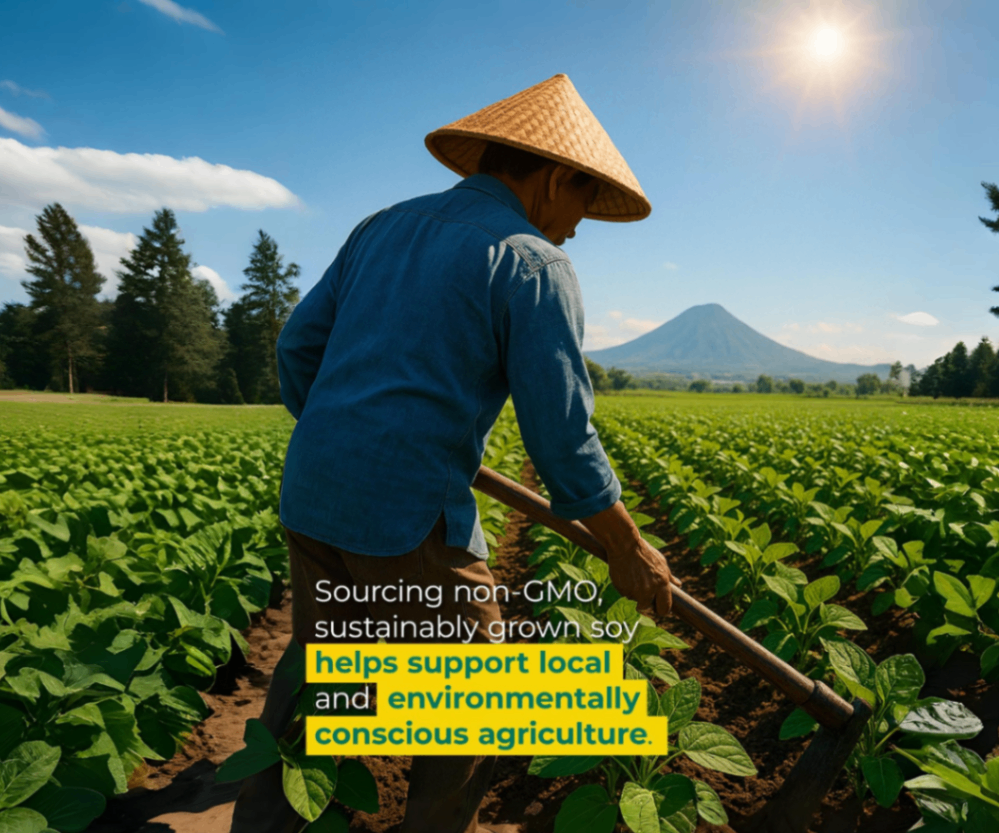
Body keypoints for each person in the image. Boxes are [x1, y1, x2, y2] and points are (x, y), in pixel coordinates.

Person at [228, 73, 679, 833]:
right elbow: (562, 435)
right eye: (580, 203)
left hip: (313, 492)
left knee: (324, 680)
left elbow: (297, 346)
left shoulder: (382, 225)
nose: (575, 227)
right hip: (405, 523)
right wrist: (626, 545)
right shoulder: (533, 263)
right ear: (555, 177)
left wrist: (347, 433)